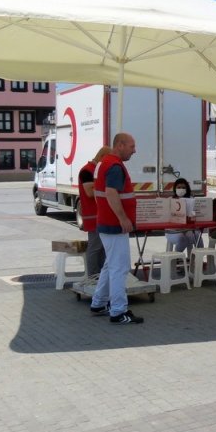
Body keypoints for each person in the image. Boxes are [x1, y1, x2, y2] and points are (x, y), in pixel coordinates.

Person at [89, 133, 143, 325]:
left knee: (109, 265)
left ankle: (99, 302)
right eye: (131, 146)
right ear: (120, 145)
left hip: (106, 222)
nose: (134, 150)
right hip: (114, 224)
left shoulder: (103, 163)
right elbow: (112, 193)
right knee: (119, 268)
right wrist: (122, 218)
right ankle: (118, 311)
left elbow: (102, 194)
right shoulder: (114, 166)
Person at [78, 146, 111, 279]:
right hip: (93, 216)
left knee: (103, 248)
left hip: (100, 215)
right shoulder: (87, 171)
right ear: (102, 157)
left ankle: (101, 276)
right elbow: (89, 192)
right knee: (95, 247)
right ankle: (93, 276)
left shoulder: (97, 170)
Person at [165, 178, 200, 258]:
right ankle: (174, 259)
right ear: (175, 189)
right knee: (182, 238)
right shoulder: (170, 200)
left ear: (187, 189)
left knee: (197, 235)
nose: (181, 189)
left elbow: (195, 216)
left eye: (184, 187)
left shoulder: (191, 200)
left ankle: (197, 260)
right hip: (173, 230)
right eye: (179, 187)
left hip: (188, 229)